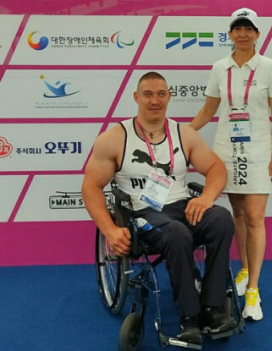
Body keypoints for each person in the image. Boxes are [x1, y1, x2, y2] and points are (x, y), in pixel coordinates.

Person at [81, 72, 237, 345]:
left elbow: (215, 168)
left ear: (169, 96)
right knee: (176, 233)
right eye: (148, 94)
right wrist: (110, 230)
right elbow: (91, 187)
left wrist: (206, 198)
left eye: (161, 94)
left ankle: (212, 308)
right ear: (136, 97)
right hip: (142, 213)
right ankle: (189, 317)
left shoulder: (184, 134)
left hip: (181, 206)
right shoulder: (114, 138)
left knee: (222, 218)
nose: (155, 100)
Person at [190, 8, 272, 322]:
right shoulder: (220, 68)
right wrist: (182, 134)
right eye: (237, 29)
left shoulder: (271, 67)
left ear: (257, 34)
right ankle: (244, 268)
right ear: (230, 34)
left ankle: (253, 290)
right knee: (239, 214)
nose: (243, 34)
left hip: (259, 150)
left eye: (248, 29)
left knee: (256, 217)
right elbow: (208, 109)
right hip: (228, 149)